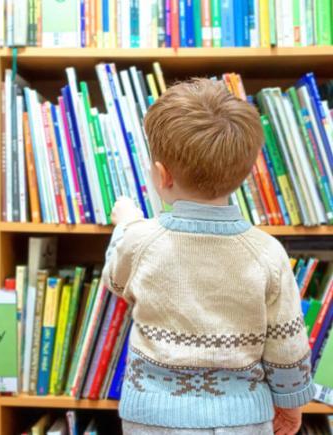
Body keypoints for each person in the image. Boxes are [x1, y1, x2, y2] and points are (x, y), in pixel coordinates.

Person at [101, 78, 315, 435]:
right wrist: (290, 404)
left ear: (162, 174)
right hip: (243, 418)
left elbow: (116, 279)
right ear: (245, 175)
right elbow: (286, 343)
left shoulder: (141, 241)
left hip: (154, 417)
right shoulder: (266, 252)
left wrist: (126, 222)